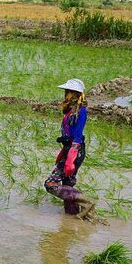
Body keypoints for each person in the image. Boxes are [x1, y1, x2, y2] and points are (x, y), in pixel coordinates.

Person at [44, 78, 93, 216]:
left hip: (75, 151)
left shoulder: (81, 111)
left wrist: (70, 159)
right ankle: (73, 218)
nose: (66, 94)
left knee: (50, 184)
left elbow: (77, 136)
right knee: (67, 185)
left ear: (74, 93)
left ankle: (86, 202)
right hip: (68, 149)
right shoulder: (70, 110)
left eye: (68, 91)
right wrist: (63, 152)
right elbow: (67, 134)